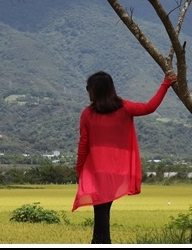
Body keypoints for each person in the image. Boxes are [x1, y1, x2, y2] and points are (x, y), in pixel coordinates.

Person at [72, 70, 178, 244]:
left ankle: (101, 242)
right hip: (118, 171)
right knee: (103, 209)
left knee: (101, 211)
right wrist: (165, 84)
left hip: (98, 172)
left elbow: (83, 145)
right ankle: (100, 241)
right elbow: (150, 107)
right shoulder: (124, 108)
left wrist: (79, 170)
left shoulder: (87, 114)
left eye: (88, 88)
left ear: (96, 90)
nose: (87, 92)